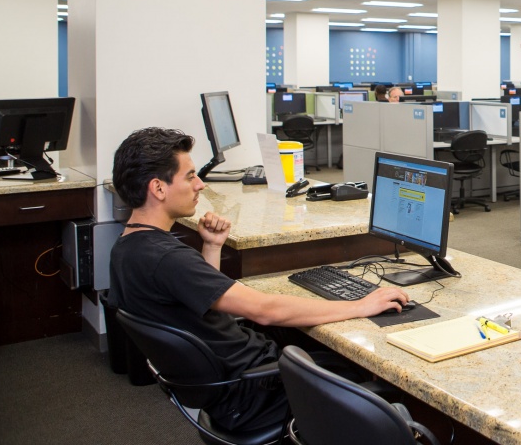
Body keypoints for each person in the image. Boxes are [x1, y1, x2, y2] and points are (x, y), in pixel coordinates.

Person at [109, 127, 408, 434]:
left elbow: (203, 301)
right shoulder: (166, 258)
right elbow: (265, 310)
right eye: (189, 176)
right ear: (158, 188)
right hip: (259, 393)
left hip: (231, 388)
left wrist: (211, 246)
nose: (199, 185)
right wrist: (361, 305)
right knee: (378, 387)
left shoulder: (128, 248)